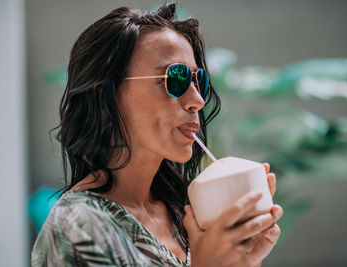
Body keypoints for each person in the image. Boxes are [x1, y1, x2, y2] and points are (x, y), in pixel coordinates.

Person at [31, 3, 283, 267]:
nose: (197, 100)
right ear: (103, 96)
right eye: (175, 78)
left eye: (200, 82)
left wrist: (246, 261)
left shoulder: (186, 213)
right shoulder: (77, 227)